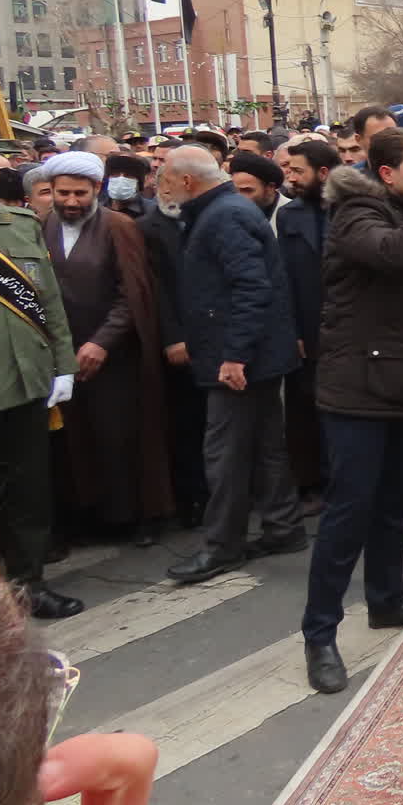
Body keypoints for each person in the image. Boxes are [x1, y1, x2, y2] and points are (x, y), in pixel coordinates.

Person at [303, 128, 403, 694]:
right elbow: (393, 256)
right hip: (357, 388)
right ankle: (320, 634)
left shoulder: (398, 212)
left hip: (399, 382)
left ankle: (387, 600)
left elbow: (394, 293)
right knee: (348, 515)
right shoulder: (357, 213)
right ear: (387, 173)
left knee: (393, 504)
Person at [154, 146, 303, 584]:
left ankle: (222, 547)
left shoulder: (224, 215)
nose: (158, 186)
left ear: (185, 181)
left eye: (164, 178)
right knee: (264, 445)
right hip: (249, 354)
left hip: (237, 359)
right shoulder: (223, 210)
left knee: (225, 453)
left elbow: (251, 288)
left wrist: (235, 355)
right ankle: (283, 526)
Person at [41, 151, 168, 542]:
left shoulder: (118, 226)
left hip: (113, 353)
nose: (71, 202)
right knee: (75, 440)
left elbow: (131, 294)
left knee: (120, 436)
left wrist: (102, 342)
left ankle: (135, 517)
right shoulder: (41, 226)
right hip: (62, 355)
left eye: (80, 193)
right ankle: (88, 516)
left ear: (96, 189)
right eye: (63, 193)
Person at [0, 177, 80, 618]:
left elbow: (49, 300)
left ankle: (29, 584)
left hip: (27, 379)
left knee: (28, 490)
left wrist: (63, 363)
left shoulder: (20, 224)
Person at [278, 138, 338, 507]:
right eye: (288, 170)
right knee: (309, 409)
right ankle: (314, 482)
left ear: (324, 173)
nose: (291, 177)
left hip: (348, 329)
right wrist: (294, 331)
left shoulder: (352, 210)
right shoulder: (289, 215)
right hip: (307, 329)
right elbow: (284, 276)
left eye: (298, 170)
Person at [228, 150, 289, 225]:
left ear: (270, 188)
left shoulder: (294, 215)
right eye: (234, 190)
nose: (238, 197)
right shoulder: (227, 211)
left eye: (247, 190)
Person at [102, 153, 152, 218]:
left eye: (128, 175)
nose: (121, 179)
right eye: (115, 174)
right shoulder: (96, 207)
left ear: (140, 181)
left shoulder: (151, 212)